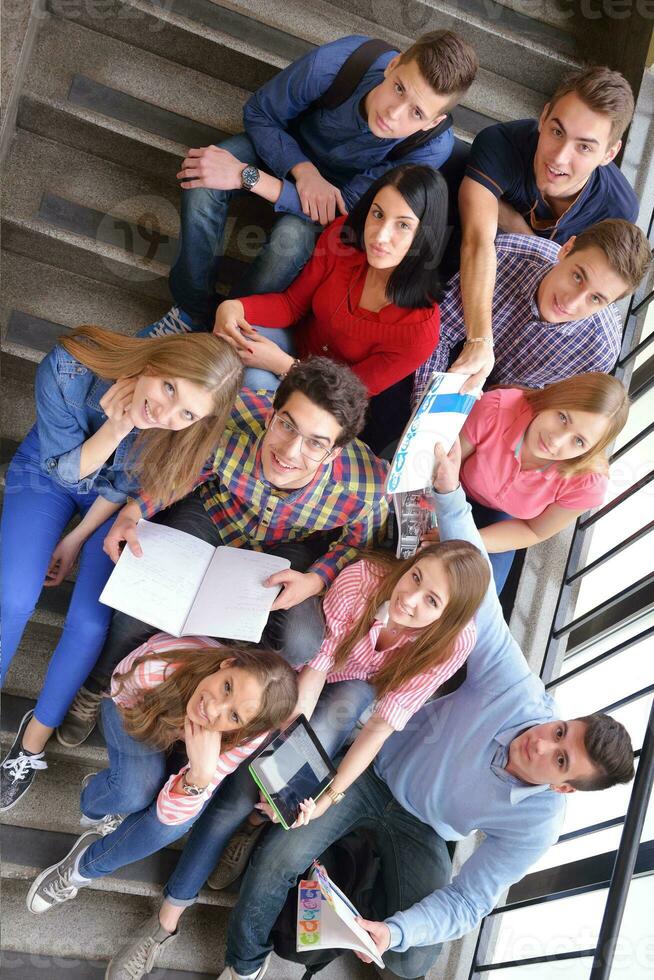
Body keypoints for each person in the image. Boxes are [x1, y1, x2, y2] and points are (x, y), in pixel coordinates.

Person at [210, 440, 634, 980]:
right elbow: (472, 590)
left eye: (559, 760)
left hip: (427, 830)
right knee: (277, 858)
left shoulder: (538, 824)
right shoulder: (520, 692)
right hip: (371, 771)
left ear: (565, 788)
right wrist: (449, 491)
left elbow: (469, 902)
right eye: (559, 731)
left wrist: (397, 932)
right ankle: (243, 967)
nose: (542, 743)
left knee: (413, 962)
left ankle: (350, 889)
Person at [56, 358, 389, 749]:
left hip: (285, 548)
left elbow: (357, 544)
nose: (290, 451)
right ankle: (98, 685)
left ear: (334, 453)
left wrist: (317, 579)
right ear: (271, 414)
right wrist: (134, 510)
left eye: (315, 443)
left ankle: (214, 693)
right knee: (138, 608)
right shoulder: (233, 416)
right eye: (286, 425)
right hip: (214, 513)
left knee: (301, 641)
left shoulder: (368, 484)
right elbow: (184, 472)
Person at [0, 327, 242, 812]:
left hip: (109, 506)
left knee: (90, 625)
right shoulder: (71, 364)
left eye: (188, 413)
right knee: (13, 596)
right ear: (159, 358)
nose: (168, 414)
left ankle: (31, 744)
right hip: (49, 471)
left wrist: (76, 537)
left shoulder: (187, 435)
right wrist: (119, 425)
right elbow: (63, 468)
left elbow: (125, 488)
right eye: (169, 387)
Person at [207, 528, 488, 893]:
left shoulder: (453, 643)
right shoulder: (365, 579)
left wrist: (328, 797)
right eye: (416, 576)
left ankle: (254, 822)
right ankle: (237, 803)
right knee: (286, 746)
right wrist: (289, 741)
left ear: (447, 618)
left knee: (341, 712)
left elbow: (381, 726)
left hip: (356, 682)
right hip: (312, 666)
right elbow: (317, 666)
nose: (410, 599)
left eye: (431, 601)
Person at [146, 30, 478, 337]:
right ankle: (191, 311)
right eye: (399, 88)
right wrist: (303, 171)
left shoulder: (431, 146)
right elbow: (261, 113)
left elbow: (346, 208)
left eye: (416, 113)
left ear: (432, 122)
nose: (393, 114)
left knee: (291, 239)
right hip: (282, 147)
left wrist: (247, 177)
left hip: (336, 197)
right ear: (394, 65)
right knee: (202, 181)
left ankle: (228, 328)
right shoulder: (341, 63)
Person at [25, 633, 297, 933]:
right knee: (133, 791)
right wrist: (168, 733)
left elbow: (171, 815)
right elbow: (121, 690)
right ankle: (95, 800)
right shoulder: (160, 666)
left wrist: (200, 777)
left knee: (177, 823)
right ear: (226, 664)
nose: (215, 708)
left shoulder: (247, 736)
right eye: (227, 687)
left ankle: (80, 870)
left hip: (186, 742)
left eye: (234, 716)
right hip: (134, 707)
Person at [453, 66, 639, 391]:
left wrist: (510, 221)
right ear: (543, 117)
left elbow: (594, 287)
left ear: (609, 154)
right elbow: (478, 240)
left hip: (534, 317)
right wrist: (480, 339)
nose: (560, 157)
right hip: (467, 280)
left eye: (584, 147)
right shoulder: (502, 144)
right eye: (556, 132)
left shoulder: (617, 208)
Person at [214, 164, 448, 400]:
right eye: (377, 214)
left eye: (403, 225)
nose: (380, 236)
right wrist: (234, 306)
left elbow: (349, 395)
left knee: (252, 380)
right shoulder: (343, 238)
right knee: (231, 344)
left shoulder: (419, 332)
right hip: (293, 343)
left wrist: (286, 366)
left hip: (325, 401)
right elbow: (291, 305)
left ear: (426, 235)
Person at [413, 218, 651, 403]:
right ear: (567, 249)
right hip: (455, 357)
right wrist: (425, 408)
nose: (571, 302)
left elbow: (545, 411)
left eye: (596, 299)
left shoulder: (598, 353)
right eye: (578, 277)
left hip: (506, 409)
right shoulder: (505, 256)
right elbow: (440, 333)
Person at [442, 373, 629, 594]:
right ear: (554, 397)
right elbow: (446, 465)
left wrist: (464, 537)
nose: (556, 441)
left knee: (475, 597)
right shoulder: (497, 407)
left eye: (578, 441)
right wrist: (447, 521)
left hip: (505, 522)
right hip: (453, 487)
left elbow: (534, 530)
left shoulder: (588, 483)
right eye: (562, 417)